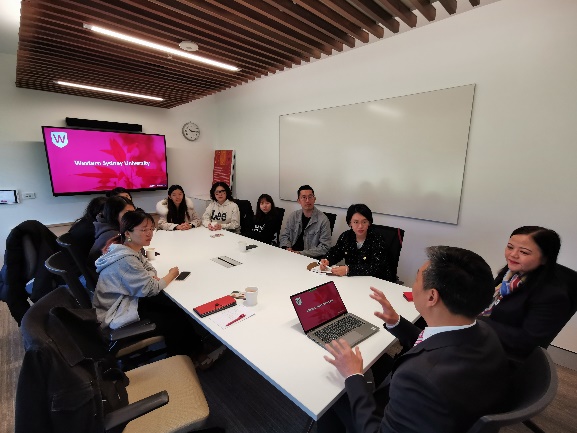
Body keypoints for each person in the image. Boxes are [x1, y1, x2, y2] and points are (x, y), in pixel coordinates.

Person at [318, 246, 511, 433]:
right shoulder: (485, 330)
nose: (413, 285)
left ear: (432, 297)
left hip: (398, 414)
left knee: (331, 396)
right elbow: (435, 344)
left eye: (417, 278)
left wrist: (353, 376)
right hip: (448, 412)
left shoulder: (418, 377)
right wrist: (396, 321)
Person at [92, 211, 202, 357]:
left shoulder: (127, 249)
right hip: (116, 311)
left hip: (126, 299)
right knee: (174, 318)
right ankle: (185, 356)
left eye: (151, 229)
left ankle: (193, 346)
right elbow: (152, 288)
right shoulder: (126, 260)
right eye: (144, 230)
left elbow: (150, 268)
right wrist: (171, 274)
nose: (149, 233)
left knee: (170, 306)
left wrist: (150, 277)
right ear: (128, 233)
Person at [479, 226, 573, 362]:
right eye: (510, 247)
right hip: (485, 337)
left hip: (504, 355)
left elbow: (526, 341)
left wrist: (477, 322)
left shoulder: (552, 296)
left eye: (524, 252)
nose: (513, 254)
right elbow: (489, 299)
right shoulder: (511, 273)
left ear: (545, 258)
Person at [320, 204, 392, 281]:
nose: (360, 226)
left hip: (376, 282)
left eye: (364, 222)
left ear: (369, 222)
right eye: (356, 222)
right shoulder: (346, 236)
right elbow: (336, 252)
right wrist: (327, 260)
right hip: (353, 280)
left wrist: (348, 270)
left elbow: (376, 267)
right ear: (350, 223)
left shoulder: (377, 239)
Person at [279, 185, 331, 258]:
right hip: (291, 253)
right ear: (299, 201)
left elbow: (325, 247)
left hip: (308, 257)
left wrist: (300, 253)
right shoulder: (293, 216)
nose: (307, 200)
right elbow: (285, 236)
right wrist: (288, 248)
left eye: (310, 197)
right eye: (304, 197)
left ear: (314, 199)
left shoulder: (323, 220)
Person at [88, 196, 135, 263]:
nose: (133, 217)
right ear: (115, 215)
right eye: (128, 213)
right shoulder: (113, 236)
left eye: (134, 213)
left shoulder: (105, 227)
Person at [67, 196, 107, 261]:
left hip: (76, 261)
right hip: (88, 262)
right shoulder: (96, 229)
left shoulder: (83, 222)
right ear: (102, 212)